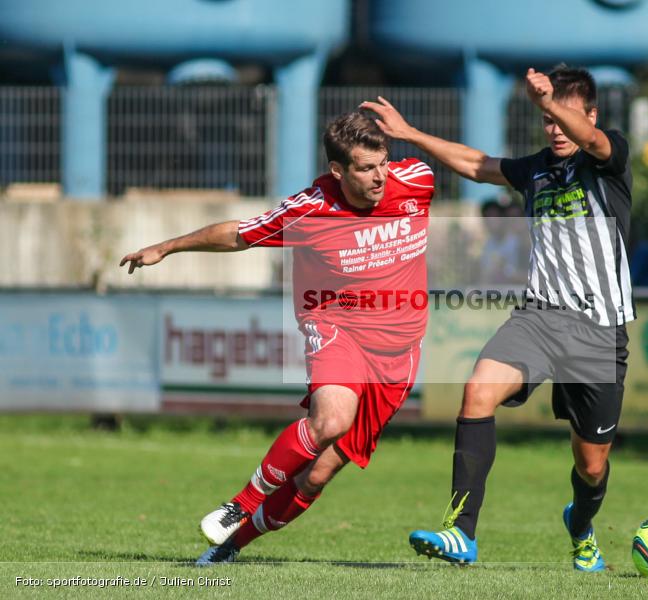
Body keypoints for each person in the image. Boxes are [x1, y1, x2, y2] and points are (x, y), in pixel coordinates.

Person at [119, 111, 435, 565]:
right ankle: (240, 504)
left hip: (399, 352)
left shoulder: (417, 180)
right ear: (338, 171)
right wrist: (167, 247)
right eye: (366, 168)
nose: (380, 176)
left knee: (317, 476)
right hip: (337, 326)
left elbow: (476, 168)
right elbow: (237, 234)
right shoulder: (310, 209)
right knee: (331, 421)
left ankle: (230, 547)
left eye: (383, 162)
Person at [361, 64, 634, 572]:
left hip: (598, 330)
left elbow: (592, 140)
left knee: (591, 466)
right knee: (477, 391)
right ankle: (462, 533)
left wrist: (548, 101)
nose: (553, 127)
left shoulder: (607, 159)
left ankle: (580, 524)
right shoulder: (536, 170)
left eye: (563, 116)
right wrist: (409, 133)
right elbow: (476, 164)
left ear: (589, 114)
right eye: (547, 119)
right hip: (539, 317)